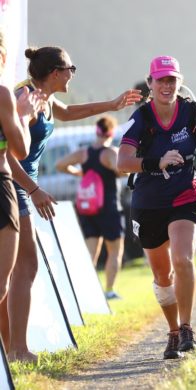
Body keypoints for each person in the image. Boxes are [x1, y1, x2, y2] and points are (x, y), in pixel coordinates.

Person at [2, 46, 141, 362]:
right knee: (24, 267)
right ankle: (17, 350)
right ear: (55, 72)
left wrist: (112, 103)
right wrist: (35, 189)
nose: (72, 75)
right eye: (70, 69)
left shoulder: (44, 99)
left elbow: (69, 113)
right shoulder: (24, 97)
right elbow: (6, 153)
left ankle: (12, 347)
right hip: (15, 184)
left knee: (17, 269)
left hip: (21, 185)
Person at [117, 55, 196, 359]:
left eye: (172, 80)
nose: (167, 85)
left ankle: (186, 329)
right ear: (150, 84)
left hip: (185, 197)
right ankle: (172, 332)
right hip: (148, 204)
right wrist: (156, 161)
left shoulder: (193, 113)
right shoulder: (141, 118)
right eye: (161, 80)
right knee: (162, 276)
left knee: (182, 259)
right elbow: (122, 163)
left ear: (179, 82)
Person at [0, 31, 42, 348]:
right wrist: (24, 117)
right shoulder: (3, 94)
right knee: (3, 282)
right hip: (2, 188)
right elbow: (21, 150)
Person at [56, 115, 125, 300]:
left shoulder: (83, 153)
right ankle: (109, 291)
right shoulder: (110, 153)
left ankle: (85, 293)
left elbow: (60, 164)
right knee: (115, 251)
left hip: (88, 209)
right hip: (109, 207)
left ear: (96, 131)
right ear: (111, 132)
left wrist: (79, 172)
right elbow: (121, 170)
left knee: (90, 253)